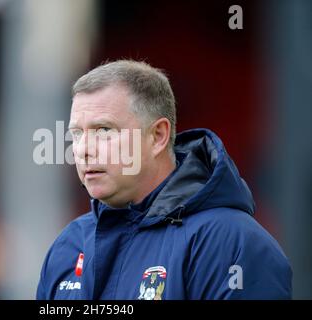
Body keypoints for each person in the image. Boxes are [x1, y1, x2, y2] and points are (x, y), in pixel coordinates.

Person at [36, 60, 292, 300]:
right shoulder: (68, 245)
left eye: (104, 130)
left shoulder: (232, 244)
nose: (82, 150)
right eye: (77, 133)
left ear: (158, 136)